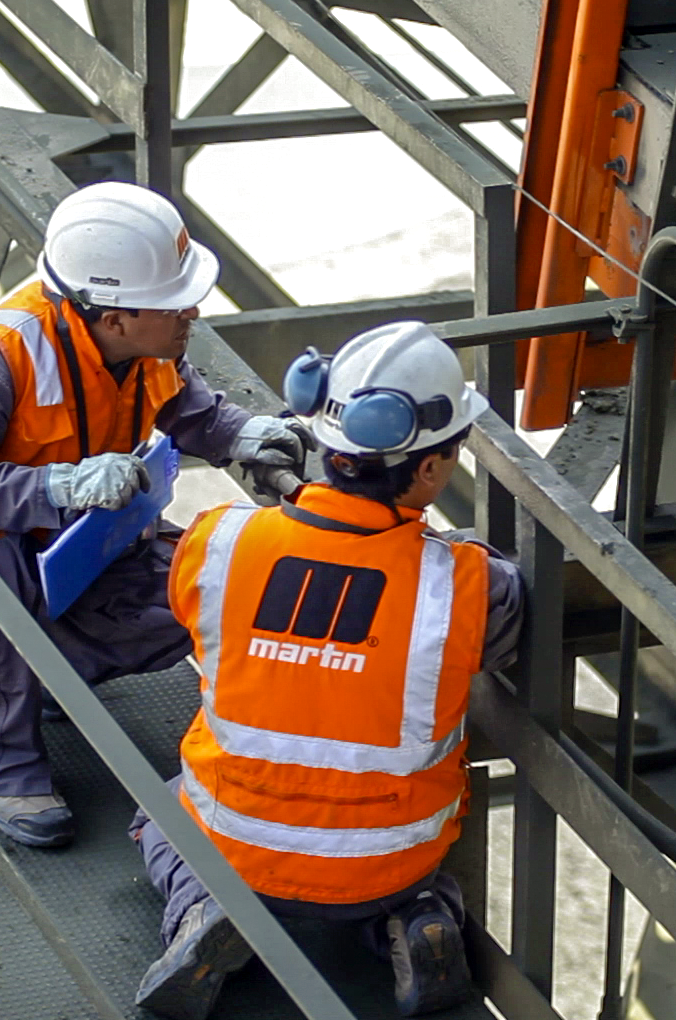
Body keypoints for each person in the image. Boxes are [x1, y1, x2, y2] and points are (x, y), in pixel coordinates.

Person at [0, 182, 311, 848]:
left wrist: (240, 434)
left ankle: (24, 671)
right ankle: (3, 764)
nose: (192, 313)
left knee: (208, 585)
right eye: (175, 303)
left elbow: (187, 409)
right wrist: (60, 485)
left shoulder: (148, 341)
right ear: (114, 314)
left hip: (72, 538)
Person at [128, 321, 525, 1020]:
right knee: (408, 870)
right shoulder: (466, 585)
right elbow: (502, 626)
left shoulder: (218, 541)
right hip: (387, 860)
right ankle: (419, 917)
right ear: (428, 469)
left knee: (159, 815)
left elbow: (198, 613)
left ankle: (202, 909)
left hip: (236, 846)